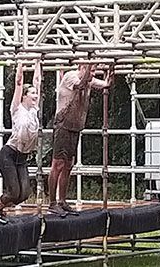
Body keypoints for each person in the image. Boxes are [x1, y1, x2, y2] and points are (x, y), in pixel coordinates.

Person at [0, 60, 42, 224]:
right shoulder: (17, 108)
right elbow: (18, 82)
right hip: (9, 154)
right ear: (24, 96)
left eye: (36, 93)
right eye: (32, 93)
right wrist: (20, 62)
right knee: (13, 192)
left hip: (22, 157)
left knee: (24, 194)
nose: (35, 95)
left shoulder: (34, 110)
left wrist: (38, 61)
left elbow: (38, 81)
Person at [48, 64, 112, 215]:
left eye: (94, 71)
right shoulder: (71, 76)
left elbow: (106, 84)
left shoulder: (88, 80)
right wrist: (90, 65)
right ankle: (52, 202)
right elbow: (80, 85)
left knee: (69, 164)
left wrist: (111, 68)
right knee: (58, 163)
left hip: (75, 126)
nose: (93, 74)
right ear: (82, 68)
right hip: (63, 124)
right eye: (91, 70)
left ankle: (62, 200)